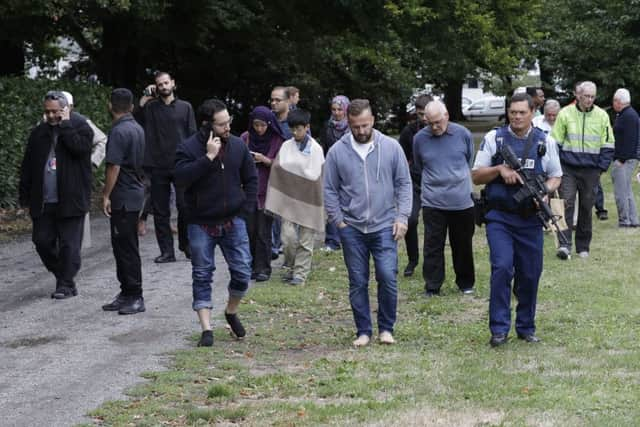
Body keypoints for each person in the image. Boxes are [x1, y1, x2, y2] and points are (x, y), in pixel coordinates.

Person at [472, 93, 562, 347]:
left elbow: (556, 176)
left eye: (522, 112)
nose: (517, 117)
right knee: (502, 268)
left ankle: (526, 326)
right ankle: (499, 329)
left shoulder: (545, 141)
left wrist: (543, 191)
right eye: (513, 112)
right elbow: (477, 176)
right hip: (500, 217)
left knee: (530, 274)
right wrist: (499, 170)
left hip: (530, 219)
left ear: (533, 112)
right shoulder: (494, 138)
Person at [324, 99, 412, 347]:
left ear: (373, 120)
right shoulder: (337, 152)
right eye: (355, 127)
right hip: (351, 227)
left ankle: (386, 328)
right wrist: (338, 221)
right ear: (348, 124)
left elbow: (404, 184)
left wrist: (402, 216)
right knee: (358, 280)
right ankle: (363, 330)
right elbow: (329, 188)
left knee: (387, 276)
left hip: (384, 224)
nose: (361, 131)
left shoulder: (391, 148)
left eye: (364, 125)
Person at [175, 99, 258, 347]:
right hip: (200, 223)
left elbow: (251, 179)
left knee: (243, 271)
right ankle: (207, 329)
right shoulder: (188, 148)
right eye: (221, 125)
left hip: (234, 220)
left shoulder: (237, 146)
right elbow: (180, 179)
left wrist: (245, 209)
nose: (227, 128)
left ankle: (231, 311)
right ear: (206, 125)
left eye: (228, 122)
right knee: (202, 274)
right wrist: (208, 158)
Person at [19, 91, 94, 299]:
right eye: (47, 112)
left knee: (69, 245)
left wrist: (66, 125)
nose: (51, 116)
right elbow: (28, 165)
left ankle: (65, 284)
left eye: (55, 112)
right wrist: (24, 196)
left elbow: (81, 149)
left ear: (66, 109)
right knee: (42, 241)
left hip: (71, 199)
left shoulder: (80, 127)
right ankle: (63, 274)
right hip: (44, 201)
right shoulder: (39, 132)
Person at [413, 100, 475, 297]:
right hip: (433, 201)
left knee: (463, 244)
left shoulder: (463, 134)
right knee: (432, 245)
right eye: (429, 123)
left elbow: (469, 160)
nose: (434, 127)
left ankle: (465, 283)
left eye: (437, 122)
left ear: (446, 115)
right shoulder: (419, 139)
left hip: (461, 201)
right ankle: (432, 286)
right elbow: (419, 165)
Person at [135, 71, 197, 263]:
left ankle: (185, 245)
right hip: (157, 164)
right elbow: (135, 119)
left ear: (173, 83)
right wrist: (145, 97)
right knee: (161, 211)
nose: (163, 87)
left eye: (166, 83)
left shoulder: (186, 107)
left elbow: (193, 134)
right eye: (159, 84)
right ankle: (167, 251)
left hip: (181, 163)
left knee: (185, 207)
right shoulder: (150, 108)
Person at [552, 81, 614, 259]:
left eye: (592, 96)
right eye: (586, 96)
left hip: (591, 170)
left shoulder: (602, 115)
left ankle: (583, 247)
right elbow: (555, 142)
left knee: (587, 208)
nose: (589, 99)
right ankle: (565, 245)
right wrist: (556, 167)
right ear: (578, 95)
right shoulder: (565, 113)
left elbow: (608, 143)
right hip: (568, 168)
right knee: (567, 204)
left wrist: (601, 168)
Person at [265, 109, 325, 286]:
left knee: (306, 241)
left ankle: (300, 274)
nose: (294, 132)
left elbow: (318, 176)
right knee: (288, 238)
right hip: (289, 200)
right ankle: (290, 266)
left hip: (310, 200)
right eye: (292, 129)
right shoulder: (286, 146)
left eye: (298, 128)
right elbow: (277, 170)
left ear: (307, 127)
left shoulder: (316, 149)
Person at [101, 88, 146, 314]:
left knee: (126, 247)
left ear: (111, 105)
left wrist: (106, 194)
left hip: (124, 197)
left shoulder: (118, 132)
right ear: (131, 106)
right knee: (123, 246)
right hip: (135, 193)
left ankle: (135, 295)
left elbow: (114, 166)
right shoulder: (137, 127)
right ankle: (126, 292)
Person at [59, 91, 108, 250]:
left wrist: (92, 163)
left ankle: (75, 247)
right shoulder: (47, 121)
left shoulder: (81, 122)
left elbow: (102, 140)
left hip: (76, 175)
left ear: (70, 106)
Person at [241, 106, 285, 282]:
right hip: (248, 190)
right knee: (249, 230)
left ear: (269, 124)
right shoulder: (245, 138)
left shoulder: (277, 140)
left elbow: (283, 165)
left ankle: (264, 268)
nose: (259, 129)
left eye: (263, 125)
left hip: (269, 191)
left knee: (263, 231)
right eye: (256, 125)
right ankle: (252, 265)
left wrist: (265, 160)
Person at [398, 93, 432, 276]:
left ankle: (432, 262)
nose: (423, 119)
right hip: (414, 182)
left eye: (425, 114)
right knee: (410, 219)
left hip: (436, 183)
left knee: (434, 223)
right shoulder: (408, 132)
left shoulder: (440, 129)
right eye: (419, 114)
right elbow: (400, 159)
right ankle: (413, 259)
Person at [320, 95, 351, 252]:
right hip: (331, 167)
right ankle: (332, 240)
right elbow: (323, 148)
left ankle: (348, 236)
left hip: (350, 168)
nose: (337, 112)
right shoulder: (328, 126)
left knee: (348, 202)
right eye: (334, 109)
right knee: (332, 202)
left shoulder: (352, 126)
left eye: (340, 109)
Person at [610, 88, 640, 227]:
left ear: (618, 101)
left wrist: (621, 159)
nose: (613, 103)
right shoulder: (628, 114)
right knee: (627, 190)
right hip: (629, 158)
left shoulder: (627, 116)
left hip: (625, 159)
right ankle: (633, 220)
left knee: (621, 192)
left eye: (614, 100)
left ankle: (624, 220)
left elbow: (630, 140)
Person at [269, 86, 292, 260]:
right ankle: (274, 246)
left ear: (288, 101)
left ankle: (291, 250)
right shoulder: (268, 121)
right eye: (272, 100)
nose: (274, 103)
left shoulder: (295, 122)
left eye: (278, 100)